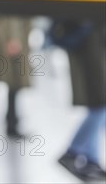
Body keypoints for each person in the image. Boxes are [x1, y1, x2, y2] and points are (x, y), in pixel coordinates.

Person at [51, 19, 106, 182]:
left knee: (98, 106)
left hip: (93, 44)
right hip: (90, 47)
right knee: (100, 104)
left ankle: (91, 159)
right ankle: (73, 151)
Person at [0, 14, 32, 137]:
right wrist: (13, 38)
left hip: (16, 40)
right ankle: (11, 123)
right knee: (14, 84)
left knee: (14, 86)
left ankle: (11, 119)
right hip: (14, 42)